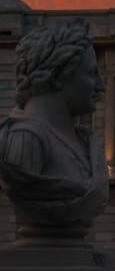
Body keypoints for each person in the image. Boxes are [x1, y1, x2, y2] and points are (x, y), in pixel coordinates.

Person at [0, 19, 108, 236]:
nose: (100, 85)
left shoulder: (85, 145)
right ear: (59, 74)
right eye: (91, 74)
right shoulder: (24, 139)